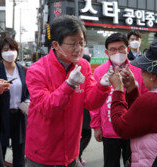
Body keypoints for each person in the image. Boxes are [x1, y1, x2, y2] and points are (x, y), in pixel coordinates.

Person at [25, 15, 112, 167]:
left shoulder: (83, 65)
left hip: (71, 152)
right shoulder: (37, 70)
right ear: (56, 45)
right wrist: (69, 84)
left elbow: (91, 102)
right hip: (43, 153)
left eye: (81, 43)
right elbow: (47, 109)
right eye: (72, 44)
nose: (78, 49)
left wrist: (102, 86)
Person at [90, 33, 148, 167]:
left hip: (133, 130)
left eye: (121, 48)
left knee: (133, 163)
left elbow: (145, 96)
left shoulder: (138, 70)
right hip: (109, 131)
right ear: (107, 52)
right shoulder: (99, 71)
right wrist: (96, 126)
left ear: (127, 49)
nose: (118, 52)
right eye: (113, 49)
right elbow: (94, 102)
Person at [0, 37, 29, 167]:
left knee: (19, 153)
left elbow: (28, 91)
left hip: (19, 116)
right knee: (0, 151)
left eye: (12, 49)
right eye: (5, 49)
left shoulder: (22, 70)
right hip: (1, 117)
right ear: (0, 52)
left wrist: (27, 102)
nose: (10, 52)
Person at [78, 53, 92, 166]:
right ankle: (78, 155)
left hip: (80, 110)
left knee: (80, 135)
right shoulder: (86, 73)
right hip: (83, 111)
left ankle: (78, 156)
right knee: (86, 134)